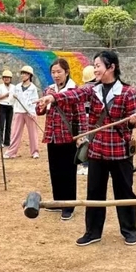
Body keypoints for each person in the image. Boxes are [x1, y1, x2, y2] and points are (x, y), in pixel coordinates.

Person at [38, 51, 136, 246]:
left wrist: (133, 122)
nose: (95, 69)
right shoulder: (91, 90)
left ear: (111, 67)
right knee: (94, 192)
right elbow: (73, 94)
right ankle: (92, 232)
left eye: (98, 65)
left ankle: (129, 230)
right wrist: (52, 99)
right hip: (97, 151)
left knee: (124, 191)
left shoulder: (129, 92)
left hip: (120, 151)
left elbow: (131, 123)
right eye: (94, 66)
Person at [36, 59, 87, 221]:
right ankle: (58, 201)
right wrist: (41, 107)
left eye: (59, 72)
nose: (56, 75)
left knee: (68, 172)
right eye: (53, 72)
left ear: (66, 72)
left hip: (68, 136)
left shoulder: (74, 90)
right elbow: (39, 111)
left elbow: (80, 115)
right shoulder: (48, 90)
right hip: (52, 135)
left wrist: (81, 135)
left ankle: (68, 205)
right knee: (55, 170)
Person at [4, 65, 40, 159]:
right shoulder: (16, 87)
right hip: (19, 111)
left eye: (25, 73)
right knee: (15, 133)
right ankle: (11, 152)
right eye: (22, 73)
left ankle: (35, 152)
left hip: (29, 113)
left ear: (29, 75)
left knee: (33, 133)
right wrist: (13, 96)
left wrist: (31, 112)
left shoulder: (33, 88)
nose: (23, 75)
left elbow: (35, 101)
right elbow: (11, 100)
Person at [77, 65, 98, 176]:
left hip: (84, 119)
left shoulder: (82, 88)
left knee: (85, 142)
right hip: (96, 120)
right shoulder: (99, 88)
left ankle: (85, 164)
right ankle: (90, 164)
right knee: (95, 142)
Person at [0, 70, 14, 148]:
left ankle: (7, 141)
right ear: (3, 79)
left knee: (9, 125)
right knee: (1, 125)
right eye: (5, 78)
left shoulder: (14, 87)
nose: (6, 79)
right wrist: (4, 96)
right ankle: (0, 141)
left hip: (10, 107)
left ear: (10, 79)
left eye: (8, 78)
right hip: (2, 106)